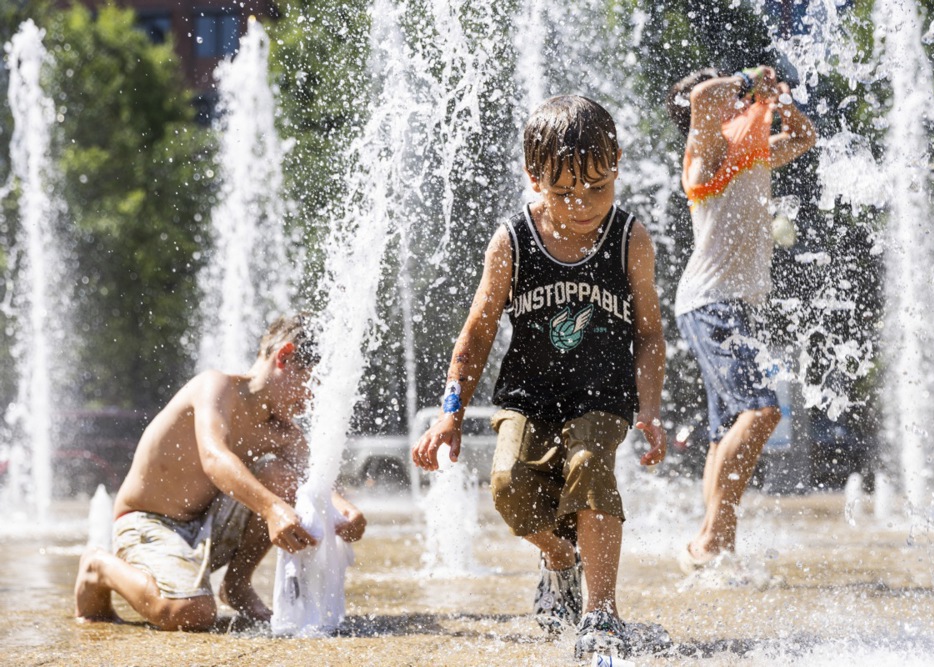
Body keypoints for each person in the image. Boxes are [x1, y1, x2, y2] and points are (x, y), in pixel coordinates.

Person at [411, 95, 667, 659]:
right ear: (534, 178)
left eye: (597, 188)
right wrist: (450, 413)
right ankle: (559, 558)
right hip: (528, 395)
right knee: (508, 489)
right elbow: (477, 332)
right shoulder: (512, 242)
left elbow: (649, 334)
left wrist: (648, 409)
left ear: (618, 163)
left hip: (603, 396)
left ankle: (602, 616)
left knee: (589, 468)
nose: (582, 205)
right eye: (564, 192)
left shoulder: (630, 240)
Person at [74, 312, 367, 630]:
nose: (312, 400)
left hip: (205, 525)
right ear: (284, 357)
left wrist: (345, 510)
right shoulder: (216, 388)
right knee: (192, 615)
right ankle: (98, 566)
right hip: (147, 521)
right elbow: (215, 458)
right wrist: (271, 508)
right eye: (314, 384)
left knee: (282, 477)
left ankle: (237, 584)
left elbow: (314, 480)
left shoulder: (284, 431)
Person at [666, 66, 815, 572]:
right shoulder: (704, 155)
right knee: (762, 410)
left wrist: (783, 98)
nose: (737, 99)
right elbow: (707, 95)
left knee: (723, 430)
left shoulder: (751, 152)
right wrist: (754, 79)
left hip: (730, 305)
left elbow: (803, 136)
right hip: (711, 303)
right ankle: (711, 543)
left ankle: (711, 549)